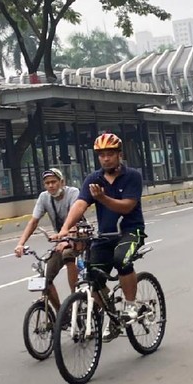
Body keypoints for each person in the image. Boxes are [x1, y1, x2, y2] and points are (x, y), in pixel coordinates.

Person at [54, 132, 146, 341]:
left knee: (121, 259)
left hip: (131, 231)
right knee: (92, 275)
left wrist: (103, 198)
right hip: (105, 235)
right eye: (102, 155)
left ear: (119, 155)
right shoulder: (93, 179)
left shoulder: (132, 176)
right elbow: (80, 204)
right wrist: (66, 228)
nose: (106, 158)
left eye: (110, 154)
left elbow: (127, 206)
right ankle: (112, 315)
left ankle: (131, 306)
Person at [14, 168, 80, 310]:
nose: (51, 185)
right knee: (45, 278)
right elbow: (33, 222)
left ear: (62, 182)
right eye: (47, 183)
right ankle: (62, 313)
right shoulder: (44, 197)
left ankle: (75, 300)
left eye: (54, 182)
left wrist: (66, 239)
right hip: (60, 241)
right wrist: (20, 244)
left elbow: (75, 218)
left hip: (78, 237)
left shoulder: (73, 193)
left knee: (68, 255)